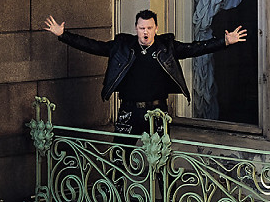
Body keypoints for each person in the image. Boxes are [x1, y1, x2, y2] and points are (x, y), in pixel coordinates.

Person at [43, 9, 248, 135]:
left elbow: (194, 48)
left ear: (156, 28)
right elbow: (94, 46)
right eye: (142, 28)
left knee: (160, 160)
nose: (145, 32)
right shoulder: (123, 46)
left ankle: (164, 195)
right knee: (119, 159)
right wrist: (64, 35)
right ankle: (116, 194)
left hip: (157, 111)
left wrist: (224, 41)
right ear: (136, 28)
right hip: (129, 110)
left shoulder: (166, 47)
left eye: (149, 28)